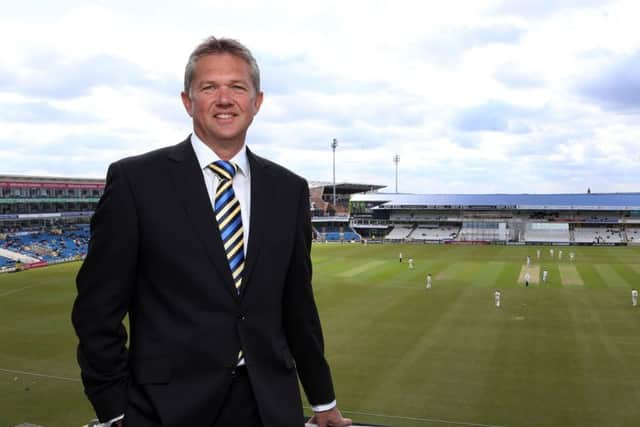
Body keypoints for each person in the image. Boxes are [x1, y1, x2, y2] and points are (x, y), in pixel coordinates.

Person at [72, 37, 351, 427]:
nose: (224, 98)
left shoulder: (289, 190)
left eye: (237, 87)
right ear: (188, 101)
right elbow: (96, 310)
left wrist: (323, 401)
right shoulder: (136, 182)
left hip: (269, 407)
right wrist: (114, 409)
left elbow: (298, 307)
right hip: (165, 410)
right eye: (209, 87)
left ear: (257, 101)